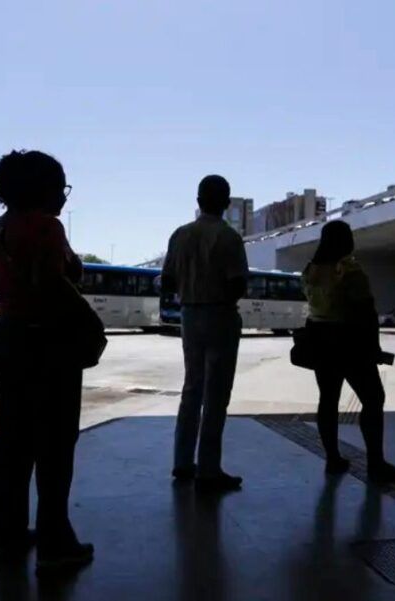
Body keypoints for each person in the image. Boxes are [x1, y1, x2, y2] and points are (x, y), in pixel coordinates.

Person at [0, 150, 94, 574]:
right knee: (55, 445)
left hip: (8, 336)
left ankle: (5, 536)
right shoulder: (47, 227)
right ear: (43, 189)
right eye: (60, 187)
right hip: (47, 341)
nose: (64, 197)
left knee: (11, 442)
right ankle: (55, 542)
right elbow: (57, 281)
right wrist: (89, 321)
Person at [302, 220, 395, 484]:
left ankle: (333, 459)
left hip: (320, 342)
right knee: (373, 399)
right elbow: (365, 313)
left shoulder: (311, 269)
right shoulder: (350, 271)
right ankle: (375, 463)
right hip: (350, 343)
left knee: (328, 400)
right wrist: (374, 348)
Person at [162, 175, 248, 493]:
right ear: (227, 203)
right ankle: (209, 470)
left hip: (189, 315)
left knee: (191, 390)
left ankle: (182, 462)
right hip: (221, 315)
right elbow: (239, 282)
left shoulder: (180, 235)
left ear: (197, 201)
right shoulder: (228, 237)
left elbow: (168, 280)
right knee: (216, 396)